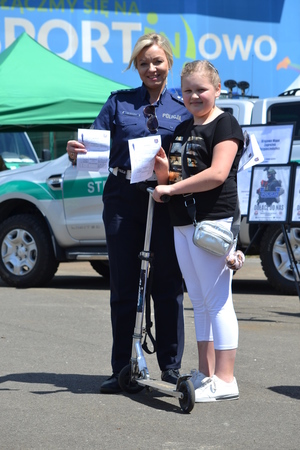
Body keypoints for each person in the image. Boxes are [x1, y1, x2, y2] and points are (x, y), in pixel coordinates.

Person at [66, 33, 192, 394]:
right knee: (123, 286)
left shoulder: (183, 106)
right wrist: (77, 151)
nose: (151, 68)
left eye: (157, 61)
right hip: (123, 199)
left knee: (167, 285)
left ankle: (170, 367)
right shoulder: (118, 103)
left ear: (168, 61)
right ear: (135, 67)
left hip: (166, 200)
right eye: (143, 63)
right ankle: (123, 366)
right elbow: (92, 147)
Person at [152, 60, 244, 402]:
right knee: (200, 302)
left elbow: (218, 174)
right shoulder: (182, 129)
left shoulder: (226, 124)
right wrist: (163, 177)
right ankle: (207, 373)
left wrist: (172, 189)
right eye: (187, 90)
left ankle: (226, 378)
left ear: (217, 90)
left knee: (218, 302)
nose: (194, 96)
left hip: (213, 222)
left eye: (201, 89)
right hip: (182, 222)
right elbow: (176, 178)